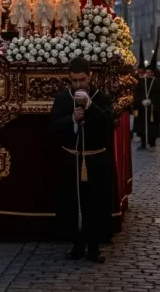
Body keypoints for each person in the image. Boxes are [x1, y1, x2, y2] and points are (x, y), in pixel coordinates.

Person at [48, 57, 114, 264]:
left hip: (96, 160)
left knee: (95, 205)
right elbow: (53, 125)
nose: (78, 84)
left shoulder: (101, 97)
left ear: (90, 76)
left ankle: (94, 247)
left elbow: (109, 122)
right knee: (72, 204)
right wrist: (72, 120)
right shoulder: (62, 99)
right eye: (74, 80)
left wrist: (90, 107)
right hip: (72, 159)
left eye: (82, 80)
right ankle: (76, 245)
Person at [132, 66, 160, 148]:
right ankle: (143, 142)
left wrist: (151, 101)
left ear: (153, 73)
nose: (148, 74)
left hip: (152, 108)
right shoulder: (141, 81)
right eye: (147, 72)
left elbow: (159, 95)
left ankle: (152, 141)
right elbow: (137, 93)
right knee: (141, 126)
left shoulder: (157, 82)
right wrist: (141, 101)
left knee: (152, 126)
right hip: (142, 108)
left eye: (150, 72)